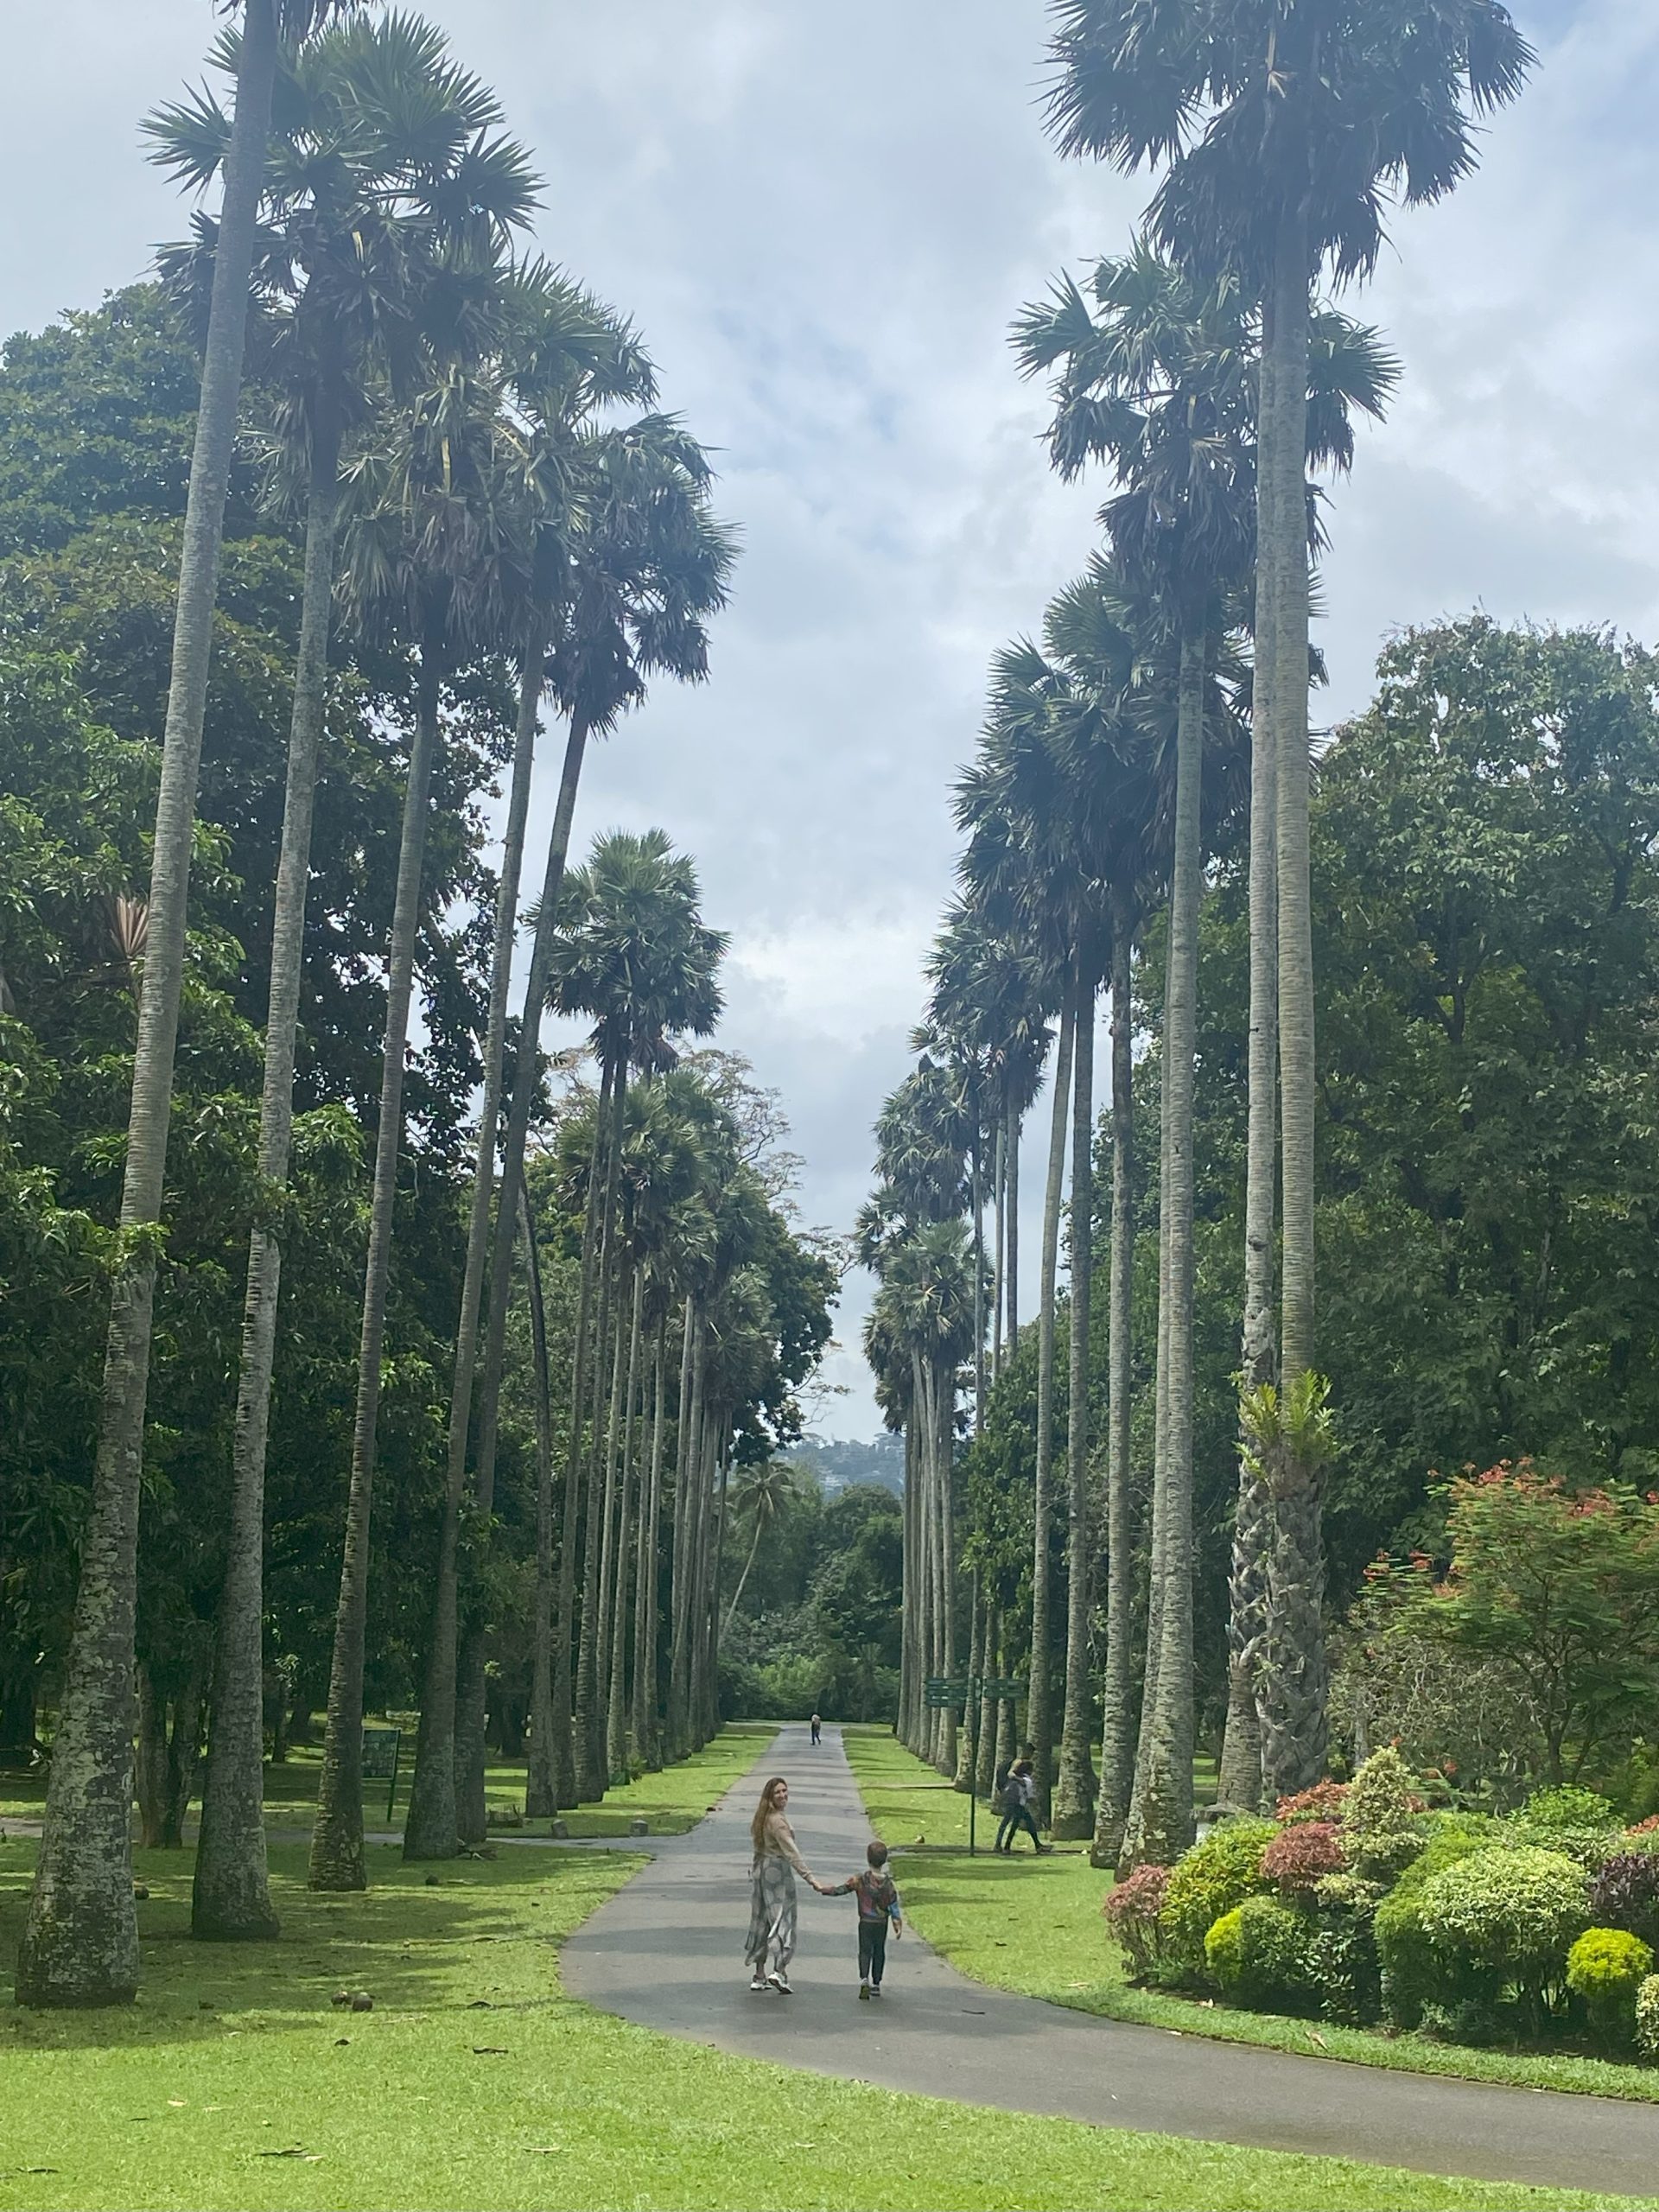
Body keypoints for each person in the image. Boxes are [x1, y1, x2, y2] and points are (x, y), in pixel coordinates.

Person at [745, 1776, 824, 1993]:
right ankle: (779, 1970)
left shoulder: (762, 1817)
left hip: (762, 1871)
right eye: (778, 1792)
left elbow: (758, 1849)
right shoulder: (777, 1821)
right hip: (777, 1873)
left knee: (761, 1920)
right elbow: (792, 1853)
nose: (782, 1795)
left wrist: (755, 1873)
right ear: (770, 1796)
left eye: (785, 1791)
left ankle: (759, 1975)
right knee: (783, 1920)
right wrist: (812, 1879)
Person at [824, 1838, 902, 1998]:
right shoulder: (888, 1884)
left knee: (865, 1951)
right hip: (881, 1923)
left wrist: (825, 1889)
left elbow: (842, 1889)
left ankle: (864, 1978)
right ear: (884, 1860)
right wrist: (897, 1922)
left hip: (865, 1922)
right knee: (879, 1951)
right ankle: (876, 1983)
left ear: (868, 1858)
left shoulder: (860, 1879)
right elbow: (893, 1903)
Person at [995, 1758, 1049, 1854]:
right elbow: (1030, 1797)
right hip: (1018, 1804)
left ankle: (999, 1845)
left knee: (1008, 1823)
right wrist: (1037, 1806)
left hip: (1009, 1802)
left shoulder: (1013, 1779)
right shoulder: (1026, 1780)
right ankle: (1008, 1846)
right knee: (1023, 1824)